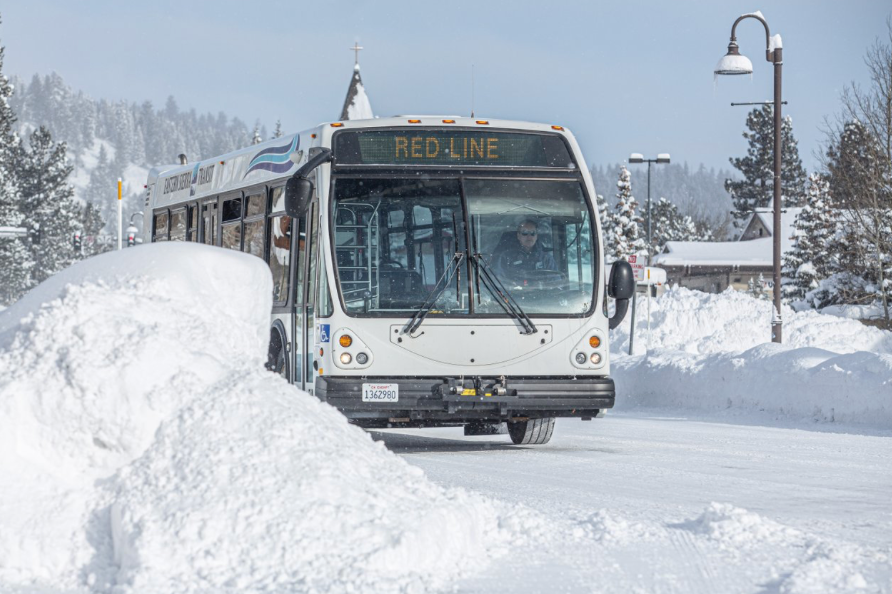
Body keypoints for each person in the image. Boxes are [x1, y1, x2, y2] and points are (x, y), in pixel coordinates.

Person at [492, 219, 556, 285]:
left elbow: (555, 283)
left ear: (536, 236)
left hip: (542, 294)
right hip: (512, 295)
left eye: (533, 233)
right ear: (518, 236)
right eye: (525, 233)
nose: (529, 237)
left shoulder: (546, 259)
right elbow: (499, 282)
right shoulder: (506, 257)